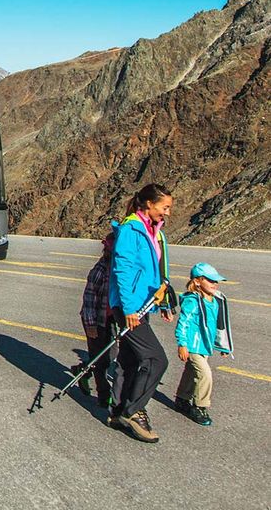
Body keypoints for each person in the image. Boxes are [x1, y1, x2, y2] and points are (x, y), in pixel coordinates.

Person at [108, 183, 174, 443]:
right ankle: (133, 411)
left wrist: (165, 303)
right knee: (156, 359)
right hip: (129, 307)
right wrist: (129, 309)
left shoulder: (155, 231)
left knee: (129, 358)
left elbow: (158, 272)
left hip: (142, 304)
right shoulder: (131, 229)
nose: (167, 213)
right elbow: (122, 271)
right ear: (149, 204)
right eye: (164, 207)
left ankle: (116, 412)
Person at [174, 262, 233, 427]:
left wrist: (223, 346)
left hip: (204, 346)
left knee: (191, 373)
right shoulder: (193, 301)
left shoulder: (215, 300)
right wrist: (182, 344)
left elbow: (219, 325)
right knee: (205, 374)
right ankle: (200, 406)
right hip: (192, 346)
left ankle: (182, 398)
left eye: (216, 281)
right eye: (211, 280)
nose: (215, 284)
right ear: (198, 281)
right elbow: (183, 323)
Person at [74, 232, 117, 408]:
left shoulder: (118, 271)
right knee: (101, 360)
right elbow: (89, 299)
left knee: (109, 355)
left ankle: (82, 370)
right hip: (94, 320)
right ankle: (103, 395)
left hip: (110, 319)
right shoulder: (99, 270)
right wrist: (91, 325)